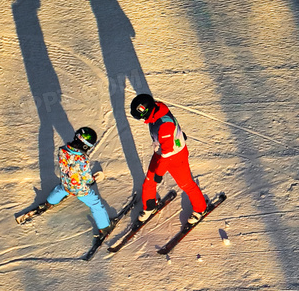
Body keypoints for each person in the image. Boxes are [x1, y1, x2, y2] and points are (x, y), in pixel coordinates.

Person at [130, 94, 208, 225]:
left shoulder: (164, 126)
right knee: (149, 181)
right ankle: (149, 206)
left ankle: (200, 209)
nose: (142, 119)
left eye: (142, 116)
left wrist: (159, 173)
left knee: (186, 184)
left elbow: (167, 153)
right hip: (161, 151)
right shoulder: (157, 108)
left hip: (175, 156)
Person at [43, 127, 111, 237]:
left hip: (65, 182)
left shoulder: (62, 150)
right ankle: (104, 227)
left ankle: (49, 202)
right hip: (79, 189)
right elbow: (87, 178)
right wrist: (93, 179)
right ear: (86, 146)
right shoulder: (82, 159)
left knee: (60, 189)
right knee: (95, 203)